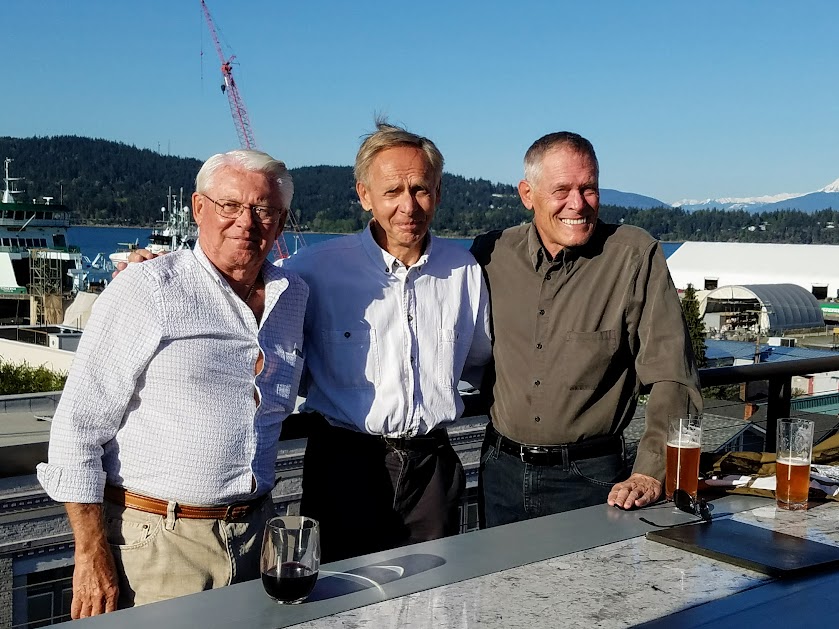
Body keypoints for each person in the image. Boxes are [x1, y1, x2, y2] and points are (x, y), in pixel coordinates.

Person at [36, 150, 308, 617]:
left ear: (281, 222)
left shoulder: (295, 296)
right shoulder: (150, 288)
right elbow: (77, 429)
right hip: (161, 542)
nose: (246, 222)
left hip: (258, 534)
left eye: (263, 210)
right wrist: (89, 552)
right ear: (198, 208)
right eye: (229, 205)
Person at [282, 120, 492, 562]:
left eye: (420, 189)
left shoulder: (464, 271)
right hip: (345, 463)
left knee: (433, 596)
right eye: (392, 192)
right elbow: (252, 308)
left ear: (439, 192)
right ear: (364, 196)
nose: (408, 206)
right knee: (342, 597)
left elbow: (477, 360)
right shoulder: (314, 269)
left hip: (432, 467)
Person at [471, 132, 702, 528]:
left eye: (588, 188)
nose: (577, 204)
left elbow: (672, 374)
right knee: (498, 590)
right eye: (561, 189)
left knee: (590, 591)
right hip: (500, 471)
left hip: (591, 479)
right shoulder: (491, 254)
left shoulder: (632, 256)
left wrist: (652, 470)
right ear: (527, 194)